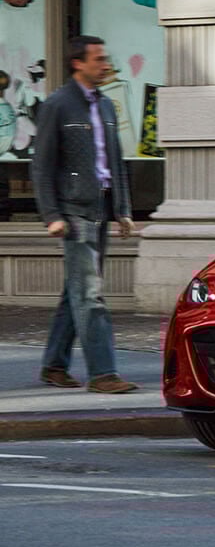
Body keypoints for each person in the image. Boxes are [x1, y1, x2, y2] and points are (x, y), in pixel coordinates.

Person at [31, 35, 138, 393]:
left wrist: (123, 209)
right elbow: (42, 166)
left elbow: (115, 161)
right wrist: (51, 215)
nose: (106, 65)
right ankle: (103, 374)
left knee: (76, 290)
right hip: (73, 212)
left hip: (102, 208)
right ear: (78, 63)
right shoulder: (57, 105)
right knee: (90, 294)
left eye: (105, 59)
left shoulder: (106, 105)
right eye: (98, 59)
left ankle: (54, 365)